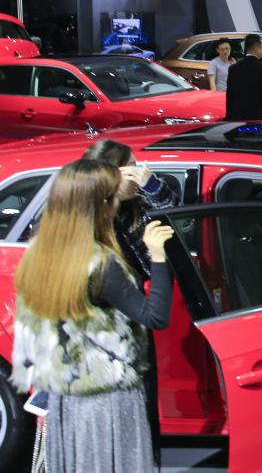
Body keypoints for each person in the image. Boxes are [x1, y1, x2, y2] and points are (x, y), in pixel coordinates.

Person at [12, 159, 175, 473]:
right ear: (101, 206)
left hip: (64, 395)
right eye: (112, 198)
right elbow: (154, 317)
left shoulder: (38, 254)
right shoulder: (100, 264)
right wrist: (158, 255)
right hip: (108, 399)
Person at [80, 139, 178, 464]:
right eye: (132, 168)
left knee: (140, 426)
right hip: (110, 350)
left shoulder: (133, 208)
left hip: (130, 338)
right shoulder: (93, 243)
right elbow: (154, 316)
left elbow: (177, 215)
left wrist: (151, 185)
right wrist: (158, 257)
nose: (140, 171)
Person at [224, 34, 262, 120]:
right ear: (256, 48)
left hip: (238, 118)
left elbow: (230, 97)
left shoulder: (233, 68)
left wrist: (229, 118)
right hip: (258, 118)